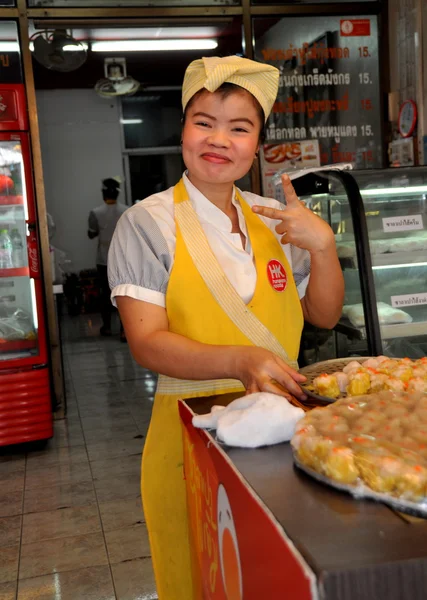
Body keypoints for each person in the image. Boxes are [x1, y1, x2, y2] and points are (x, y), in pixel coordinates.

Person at [108, 55, 344, 598]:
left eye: (239, 127)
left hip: (286, 432)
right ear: (183, 130)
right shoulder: (146, 224)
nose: (219, 139)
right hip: (191, 435)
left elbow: (324, 315)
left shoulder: (275, 217)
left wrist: (324, 247)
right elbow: (147, 342)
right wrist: (241, 361)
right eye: (203, 122)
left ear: (257, 144)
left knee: (278, 578)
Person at [88, 177, 127, 339]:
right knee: (124, 294)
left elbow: (91, 233)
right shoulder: (127, 210)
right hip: (124, 260)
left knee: (105, 294)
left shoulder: (96, 213)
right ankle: (125, 330)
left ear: (103, 193)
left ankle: (107, 327)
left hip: (104, 260)